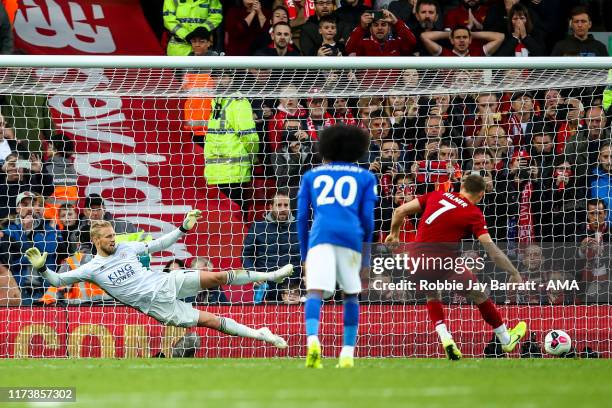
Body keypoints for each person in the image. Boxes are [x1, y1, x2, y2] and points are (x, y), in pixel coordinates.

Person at [24, 210, 293, 347]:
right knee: (211, 321)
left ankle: (272, 276)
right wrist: (42, 269)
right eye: (108, 237)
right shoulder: (92, 268)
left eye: (113, 234)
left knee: (217, 276)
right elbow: (58, 282)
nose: (113, 239)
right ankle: (263, 336)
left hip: (165, 281)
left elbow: (160, 244)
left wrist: (183, 228)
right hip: (158, 307)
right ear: (96, 241)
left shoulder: (127, 248)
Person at [386, 174, 527, 360]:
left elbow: (399, 211)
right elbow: (493, 251)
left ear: (461, 186)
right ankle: (505, 338)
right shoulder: (473, 212)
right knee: (479, 294)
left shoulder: (436, 195)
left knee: (432, 293)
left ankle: (447, 339)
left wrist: (394, 235)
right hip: (443, 261)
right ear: (482, 194)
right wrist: (514, 271)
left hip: (414, 259)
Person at [297, 124, 377, 368]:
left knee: (314, 292)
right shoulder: (366, 176)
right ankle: (347, 353)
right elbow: (368, 221)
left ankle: (313, 341)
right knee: (351, 294)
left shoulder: (311, 175)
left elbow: (301, 218)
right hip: (351, 238)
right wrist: (366, 257)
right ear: (357, 148)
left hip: (320, 238)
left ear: (326, 147)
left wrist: (304, 254)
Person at [242, 191, 301, 302]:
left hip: (293, 288)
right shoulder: (258, 227)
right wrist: (253, 274)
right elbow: (246, 254)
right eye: (278, 205)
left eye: (286, 205)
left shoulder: (299, 227)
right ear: (270, 207)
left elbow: (309, 255)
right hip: (266, 287)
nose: (283, 208)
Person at [345, 9, 416, 56]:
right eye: (375, 25)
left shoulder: (397, 43)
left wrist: (396, 22)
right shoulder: (363, 43)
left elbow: (412, 42)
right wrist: (361, 27)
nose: (379, 28)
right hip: (369, 79)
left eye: (383, 25)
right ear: (370, 29)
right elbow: (349, 49)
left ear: (389, 29)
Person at [421, 25, 504, 57]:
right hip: (448, 94)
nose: (461, 40)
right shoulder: (444, 53)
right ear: (452, 40)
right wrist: (449, 34)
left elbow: (500, 37)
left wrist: (472, 34)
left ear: (470, 40)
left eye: (465, 37)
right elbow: (424, 36)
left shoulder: (479, 53)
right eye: (457, 37)